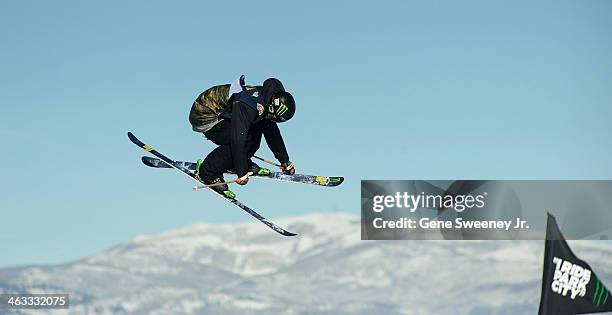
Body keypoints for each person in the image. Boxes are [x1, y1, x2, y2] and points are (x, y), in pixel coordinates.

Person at [188, 75, 296, 198]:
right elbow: (237, 139)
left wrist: (285, 161)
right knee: (246, 138)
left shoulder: (266, 100)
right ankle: (208, 172)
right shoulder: (250, 104)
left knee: (257, 130)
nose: (272, 119)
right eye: (274, 117)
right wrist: (242, 171)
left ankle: (233, 162)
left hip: (224, 114)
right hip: (205, 117)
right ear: (272, 107)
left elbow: (273, 134)